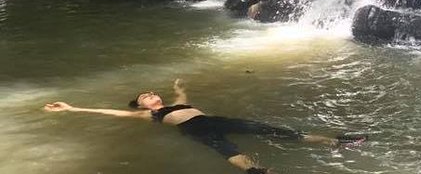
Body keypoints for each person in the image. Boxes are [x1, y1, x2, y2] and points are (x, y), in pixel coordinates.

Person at [44, 79, 366, 174]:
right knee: (226, 149)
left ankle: (333, 141)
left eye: (152, 92)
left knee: (266, 128)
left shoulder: (177, 102)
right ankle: (262, 173)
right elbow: (111, 114)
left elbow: (183, 95)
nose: (151, 95)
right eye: (145, 96)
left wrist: (179, 85)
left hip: (210, 118)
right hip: (195, 129)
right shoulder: (151, 116)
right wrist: (73, 107)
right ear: (142, 106)